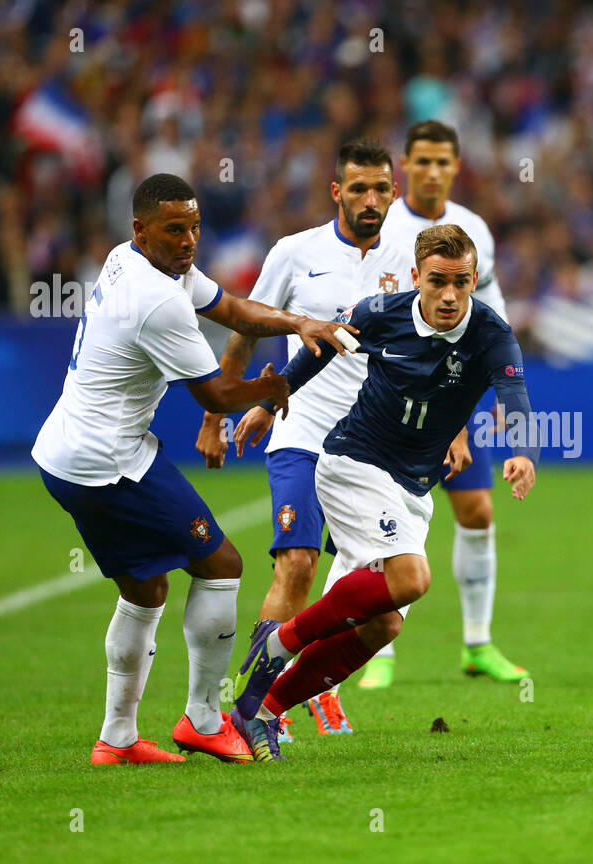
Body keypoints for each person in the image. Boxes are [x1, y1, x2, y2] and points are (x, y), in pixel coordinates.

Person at [32, 173, 354, 765]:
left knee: (146, 587)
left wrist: (298, 324)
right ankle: (204, 721)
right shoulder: (154, 301)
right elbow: (214, 396)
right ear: (142, 231)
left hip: (69, 456)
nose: (188, 240)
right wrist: (271, 385)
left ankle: (117, 739)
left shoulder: (131, 261)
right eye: (174, 230)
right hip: (110, 461)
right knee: (222, 564)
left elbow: (230, 307)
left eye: (194, 227)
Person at [225, 224, 538, 761]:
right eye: (437, 281)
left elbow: (513, 394)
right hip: (354, 461)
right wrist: (268, 400)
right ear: (416, 276)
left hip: (413, 488)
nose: (449, 294)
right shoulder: (378, 313)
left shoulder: (492, 333)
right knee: (411, 578)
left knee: (383, 625)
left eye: (461, 282)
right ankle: (276, 645)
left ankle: (262, 710)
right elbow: (319, 352)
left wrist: (523, 451)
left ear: (474, 280)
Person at [194, 138, 417, 737]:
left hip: (376, 449)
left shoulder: (412, 256)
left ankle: (307, 691)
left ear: (394, 192)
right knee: (295, 563)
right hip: (303, 429)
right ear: (336, 191)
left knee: (381, 602)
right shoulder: (296, 253)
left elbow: (433, 344)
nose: (371, 200)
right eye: (359, 188)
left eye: (381, 189)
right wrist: (218, 413)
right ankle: (253, 704)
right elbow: (245, 329)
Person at [355, 119, 528, 689]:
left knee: (477, 511)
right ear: (405, 164)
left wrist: (489, 402)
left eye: (443, 162)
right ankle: (377, 653)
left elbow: (488, 314)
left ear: (456, 167)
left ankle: (477, 644)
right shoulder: (383, 226)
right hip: (389, 406)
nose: (432, 172)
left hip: (451, 400)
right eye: (421, 161)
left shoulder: (473, 228)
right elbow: (376, 321)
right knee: (388, 526)